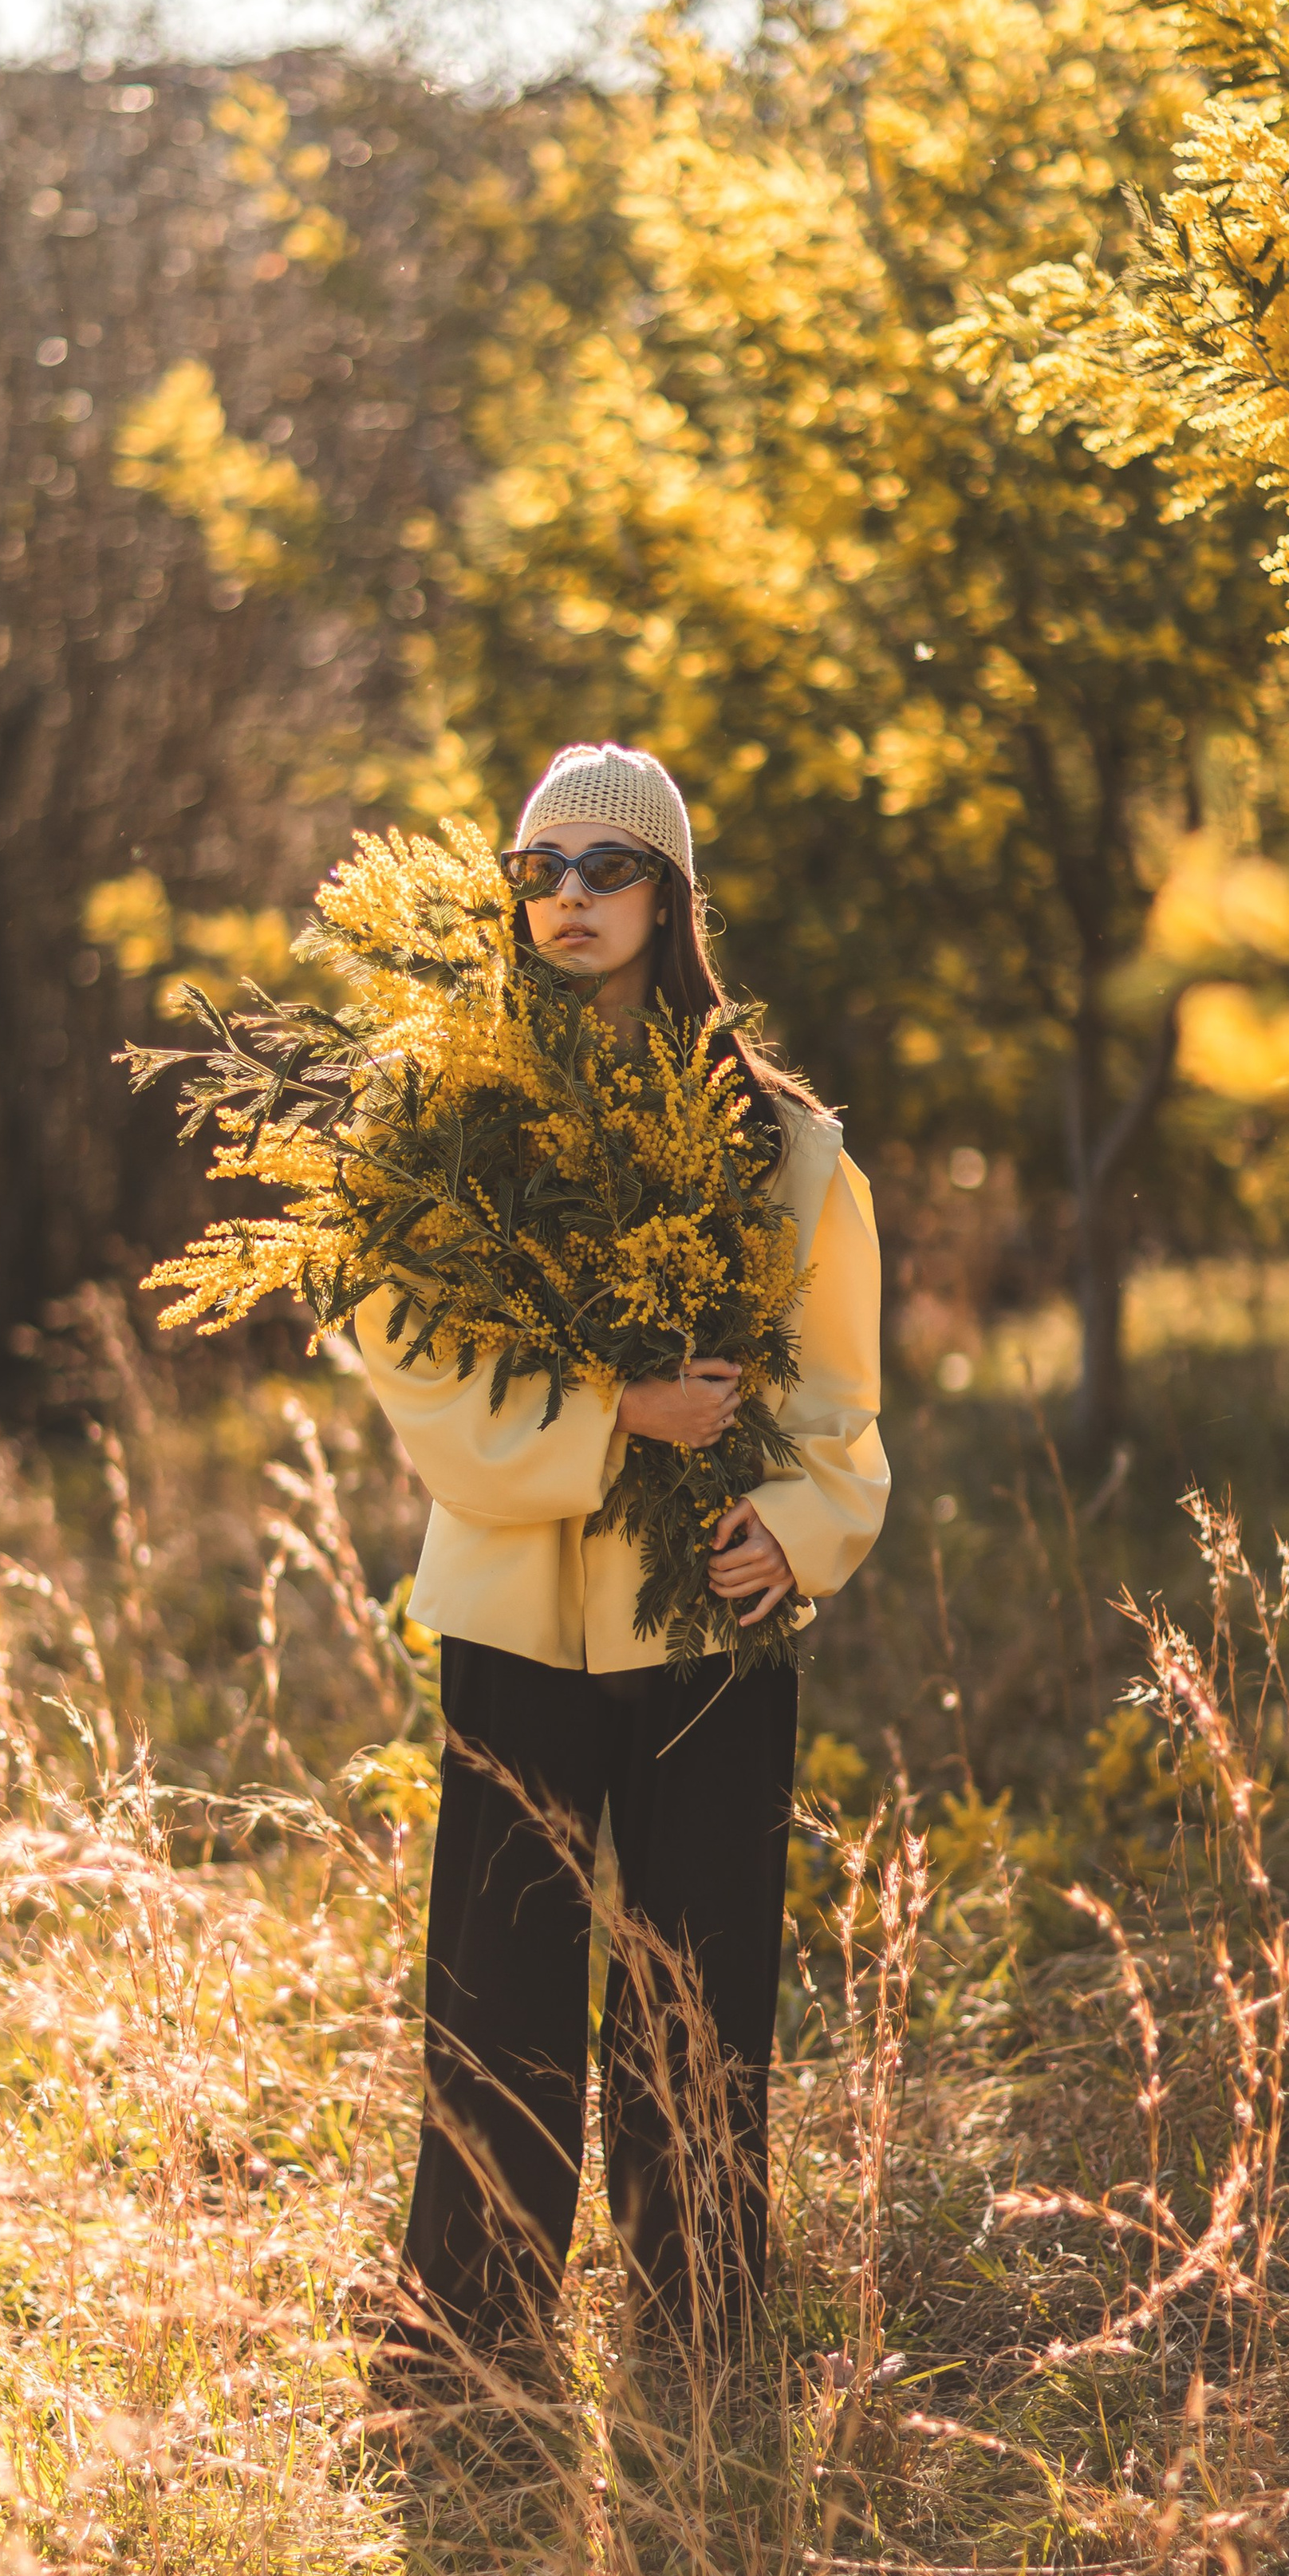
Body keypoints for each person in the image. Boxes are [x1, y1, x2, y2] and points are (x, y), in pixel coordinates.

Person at [357, 742, 888, 2378]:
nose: (569, 898)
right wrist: (614, 1418)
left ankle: (702, 2315)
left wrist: (792, 1533)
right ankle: (468, 2321)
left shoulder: (787, 1147)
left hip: (708, 1622)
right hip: (513, 1613)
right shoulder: (448, 1125)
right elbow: (412, 1365)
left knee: (698, 1978)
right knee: (494, 1963)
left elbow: (837, 1399)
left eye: (606, 868)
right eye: (540, 871)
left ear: (669, 897)